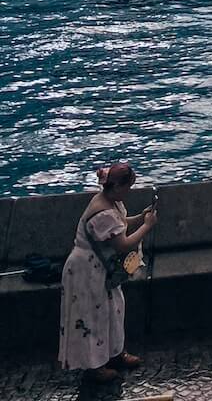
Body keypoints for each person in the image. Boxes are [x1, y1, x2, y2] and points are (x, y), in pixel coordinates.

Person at [58, 162, 157, 385]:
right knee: (91, 318)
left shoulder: (110, 201)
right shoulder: (102, 213)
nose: (130, 191)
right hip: (87, 270)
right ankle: (94, 367)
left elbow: (120, 224)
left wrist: (140, 217)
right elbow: (123, 243)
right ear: (118, 187)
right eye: (129, 186)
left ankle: (114, 353)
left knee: (113, 310)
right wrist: (148, 226)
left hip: (101, 268)